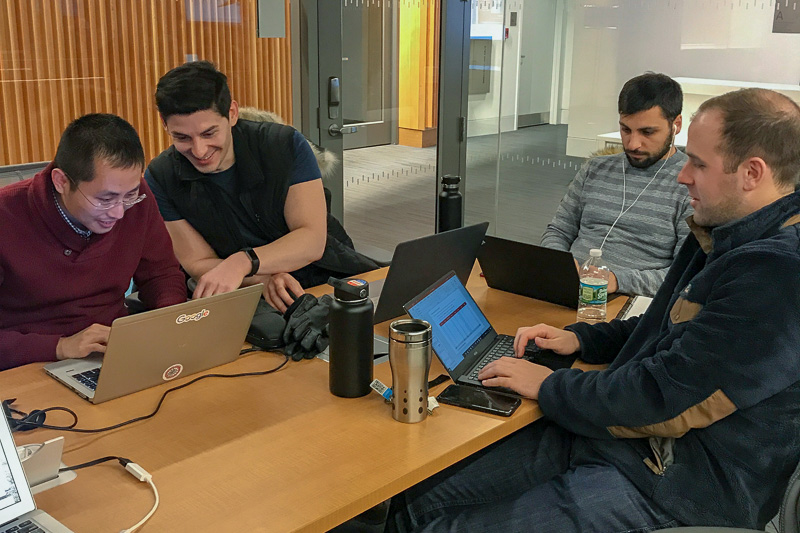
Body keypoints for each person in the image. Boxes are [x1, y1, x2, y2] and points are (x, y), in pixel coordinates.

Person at [387, 88, 800, 531]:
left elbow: (665, 401)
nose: (683, 176)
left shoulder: (776, 273)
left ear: (752, 173)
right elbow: (666, 327)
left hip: (675, 485)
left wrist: (551, 386)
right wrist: (582, 338)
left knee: (439, 526)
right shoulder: (726, 232)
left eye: (698, 163)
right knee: (415, 501)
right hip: (621, 439)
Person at [145, 61, 379, 313]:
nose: (199, 150)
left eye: (209, 133)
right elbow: (197, 261)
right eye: (182, 137)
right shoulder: (161, 176)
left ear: (232, 113)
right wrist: (260, 279)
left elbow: (311, 239)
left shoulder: (283, 145)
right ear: (164, 123)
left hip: (326, 273)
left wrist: (243, 261)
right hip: (246, 293)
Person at [0, 114, 186, 371]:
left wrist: (169, 322)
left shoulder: (137, 198)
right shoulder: (7, 216)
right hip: (27, 363)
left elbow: (161, 274)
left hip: (113, 353)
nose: (119, 213)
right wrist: (60, 346)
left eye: (129, 195)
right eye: (105, 199)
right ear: (61, 182)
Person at [541, 72, 692, 297]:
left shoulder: (690, 184)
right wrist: (559, 265)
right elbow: (558, 231)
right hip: (569, 289)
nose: (633, 144)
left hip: (628, 300)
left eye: (647, 132)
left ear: (676, 125)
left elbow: (685, 275)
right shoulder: (595, 169)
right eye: (626, 129)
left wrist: (616, 281)